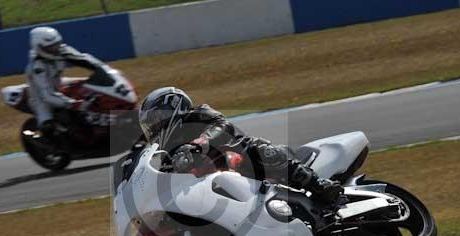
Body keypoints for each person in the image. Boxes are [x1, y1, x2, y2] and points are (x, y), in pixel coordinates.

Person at [138, 87, 344, 206]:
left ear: (174, 110)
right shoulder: (168, 154)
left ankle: (319, 186)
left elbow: (223, 124)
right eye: (149, 125)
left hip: (241, 161)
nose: (153, 128)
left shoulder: (198, 114)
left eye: (155, 120)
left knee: (259, 149)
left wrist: (200, 143)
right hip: (216, 192)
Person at [26, 26, 103, 140]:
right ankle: (53, 145)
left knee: (91, 87)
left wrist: (101, 68)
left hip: (59, 83)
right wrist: (71, 103)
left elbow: (83, 58)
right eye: (50, 47)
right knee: (49, 127)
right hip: (41, 96)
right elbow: (47, 95)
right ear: (39, 48)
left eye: (57, 44)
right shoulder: (37, 68)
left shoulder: (61, 50)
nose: (55, 49)